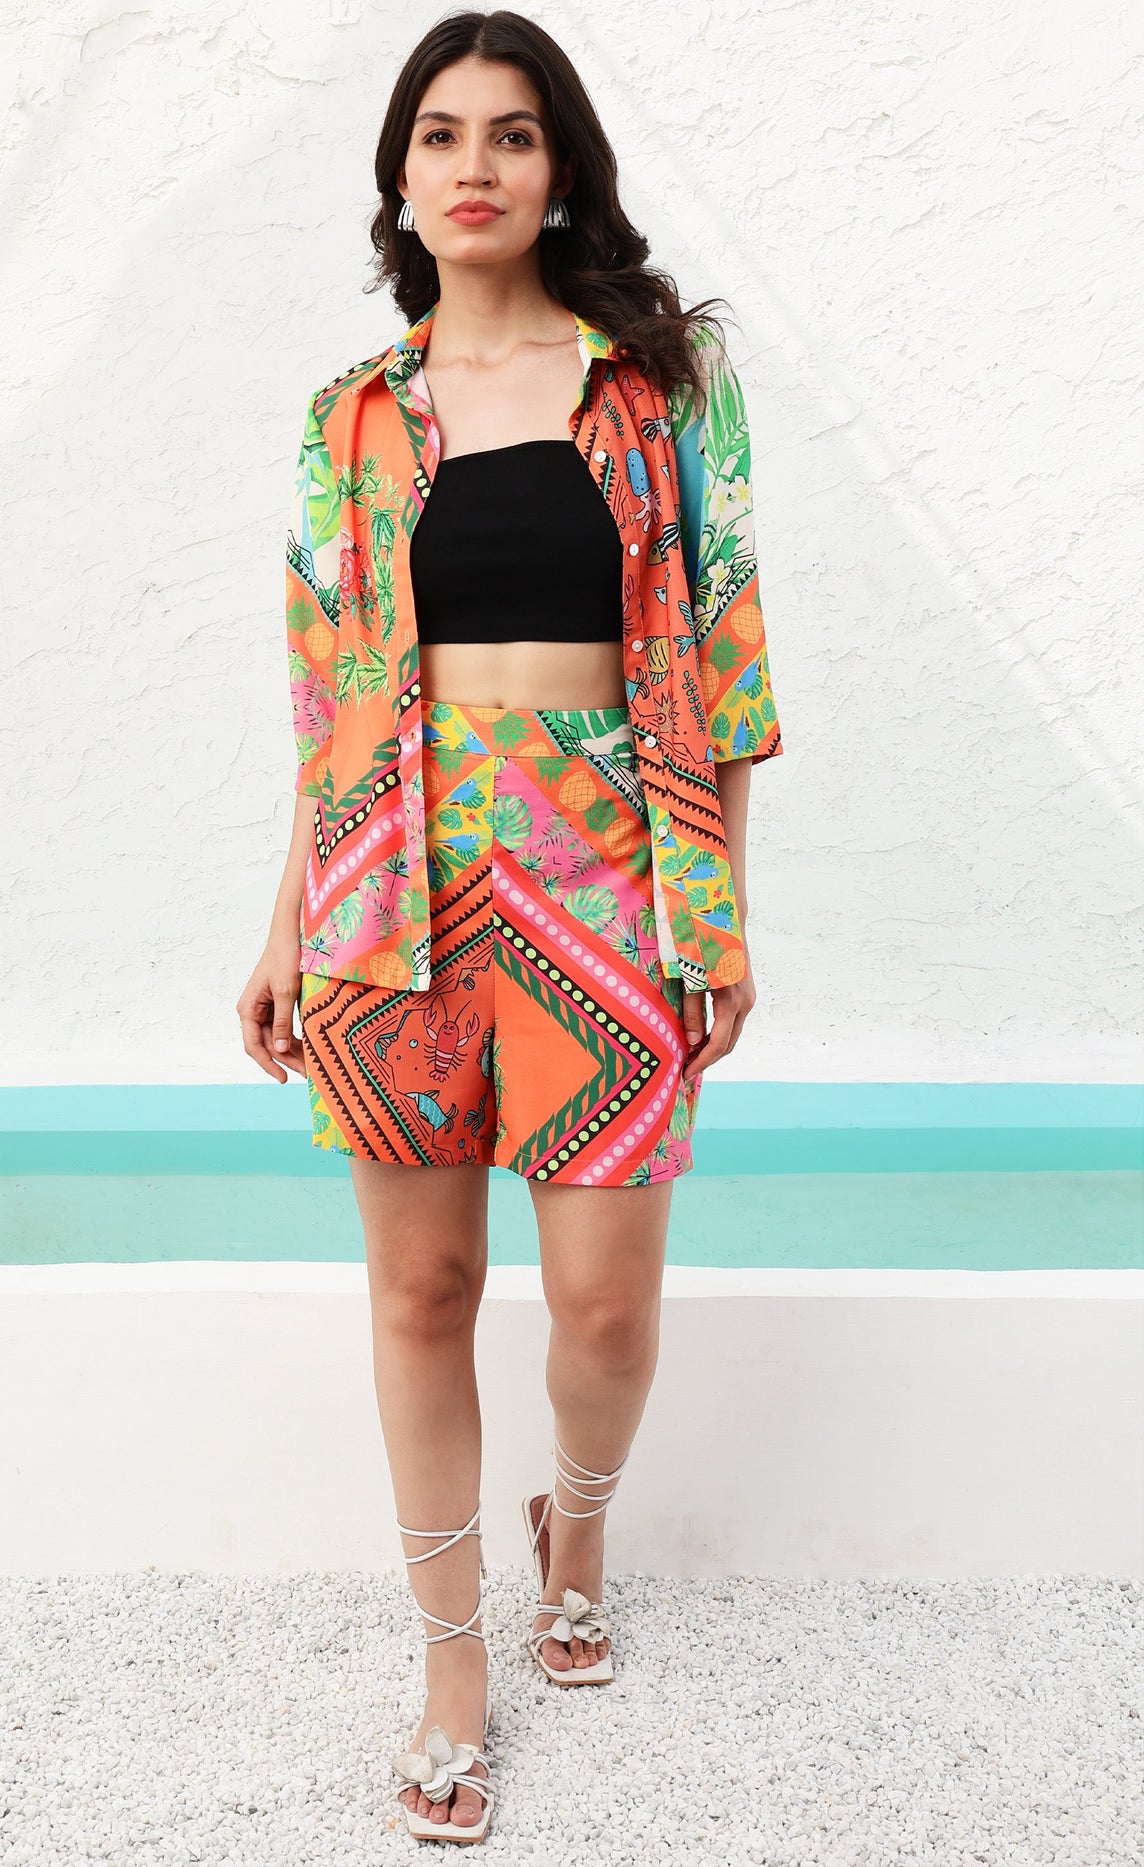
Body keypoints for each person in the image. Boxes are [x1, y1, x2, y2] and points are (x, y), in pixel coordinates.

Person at [238, 8, 783, 1844]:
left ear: (562, 172)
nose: (476, 164)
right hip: (389, 887)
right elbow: (328, 699)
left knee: (607, 1307)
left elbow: (722, 661)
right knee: (423, 1290)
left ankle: (583, 1528)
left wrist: (716, 909)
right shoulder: (348, 418)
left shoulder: (662, 386)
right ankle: (452, 1664)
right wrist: (284, 923)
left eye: (516, 133)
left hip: (610, 872)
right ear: (401, 178)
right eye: (442, 134)